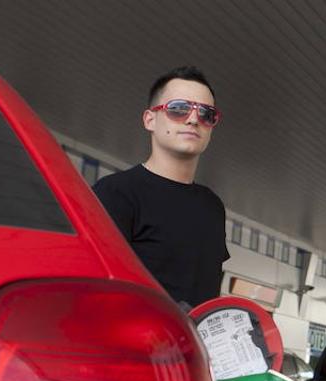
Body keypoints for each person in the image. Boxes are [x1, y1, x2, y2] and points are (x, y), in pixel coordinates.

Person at [93, 66, 229, 310]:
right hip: (133, 344)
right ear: (149, 119)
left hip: (197, 346)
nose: (192, 119)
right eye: (178, 109)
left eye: (206, 114)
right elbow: (98, 287)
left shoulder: (213, 207)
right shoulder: (116, 193)